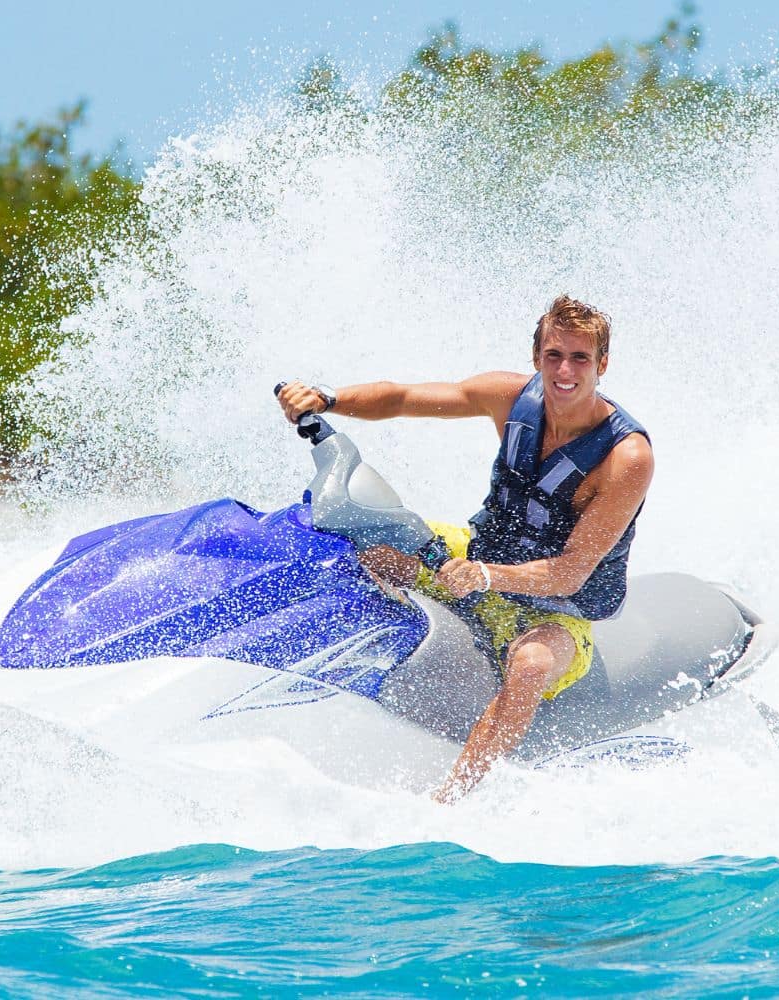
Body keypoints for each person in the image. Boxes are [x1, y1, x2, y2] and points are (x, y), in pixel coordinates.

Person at [276, 295, 654, 802]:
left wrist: (485, 577)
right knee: (355, 537)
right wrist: (326, 399)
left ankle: (450, 805)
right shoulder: (510, 397)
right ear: (536, 357)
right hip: (472, 558)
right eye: (553, 356)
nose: (565, 371)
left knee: (530, 668)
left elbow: (569, 575)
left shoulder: (626, 456)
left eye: (580, 358)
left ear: (602, 364)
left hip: (555, 610)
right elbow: (405, 397)